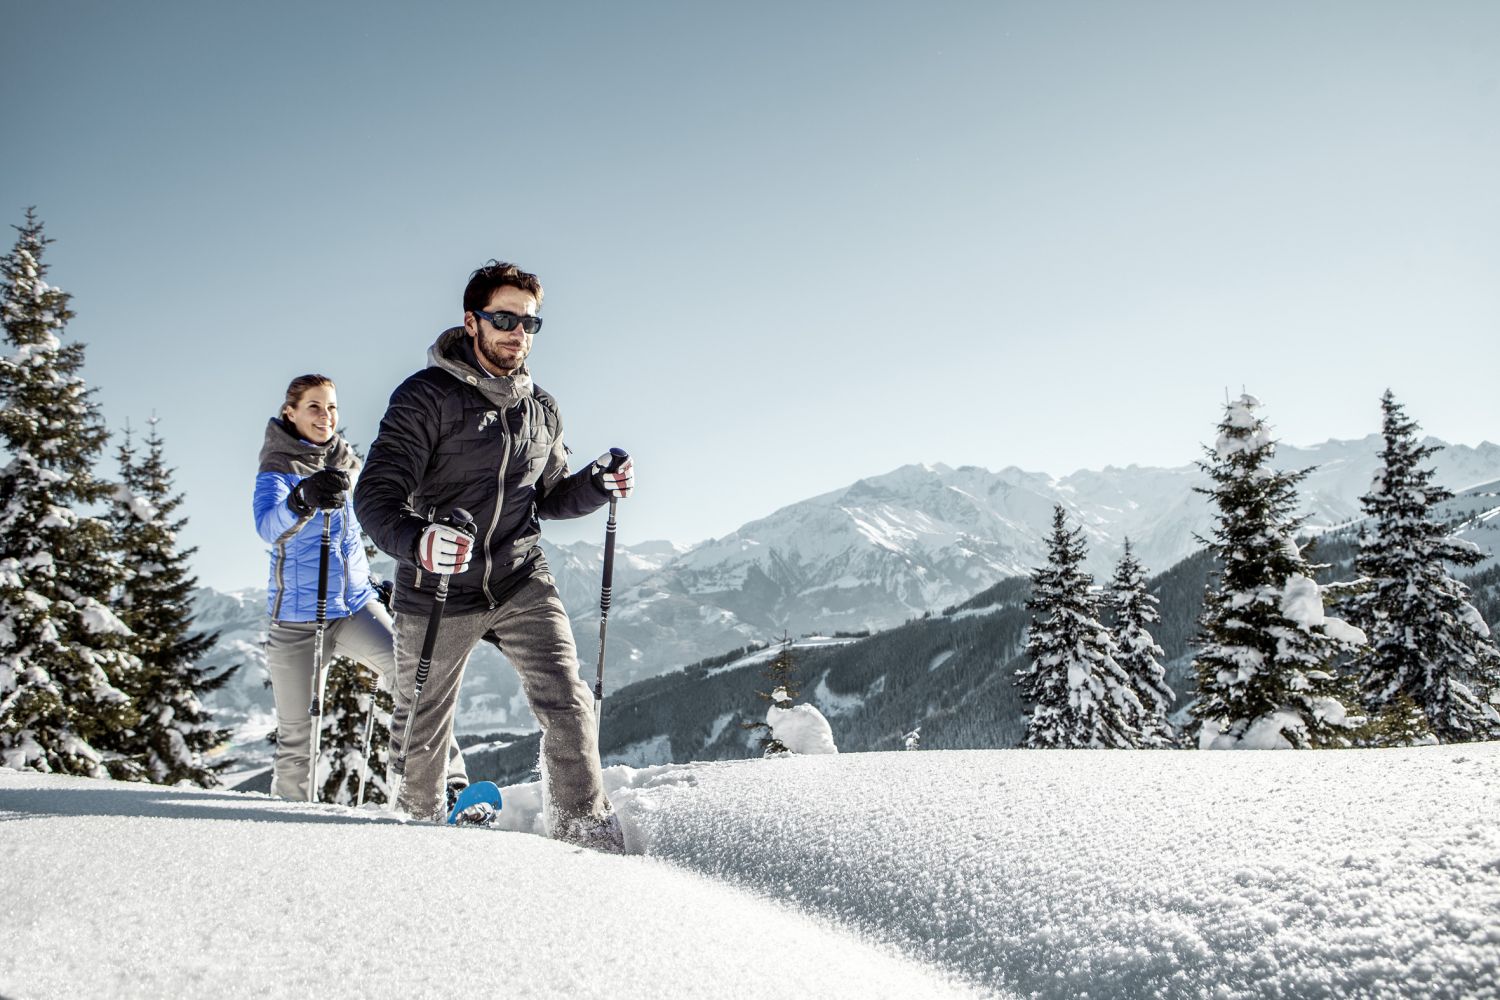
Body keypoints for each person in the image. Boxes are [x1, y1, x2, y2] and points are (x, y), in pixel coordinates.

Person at [354, 261, 633, 851]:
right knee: (422, 729)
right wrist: (419, 539)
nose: (518, 332)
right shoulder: (425, 397)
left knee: (567, 701)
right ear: (471, 322)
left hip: (519, 576)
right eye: (504, 319)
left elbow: (549, 497)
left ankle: (588, 837)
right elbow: (375, 496)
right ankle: (420, 837)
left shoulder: (541, 409)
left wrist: (596, 484)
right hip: (437, 587)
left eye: (530, 322)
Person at [253, 374, 468, 803]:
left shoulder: (347, 464)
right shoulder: (278, 470)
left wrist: (368, 582)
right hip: (297, 621)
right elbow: (268, 527)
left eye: (331, 407)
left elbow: (351, 537)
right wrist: (301, 499)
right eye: (314, 407)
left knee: (415, 681)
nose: (325, 416)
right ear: (290, 413)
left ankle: (449, 784)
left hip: (354, 607)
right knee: (298, 734)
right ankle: (288, 818)